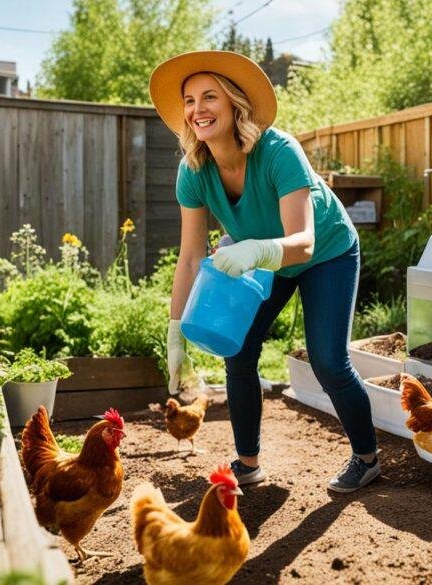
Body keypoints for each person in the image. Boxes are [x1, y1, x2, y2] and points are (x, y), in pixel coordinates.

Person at [150, 51, 379, 493]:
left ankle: (367, 457)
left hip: (325, 252)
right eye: (190, 100)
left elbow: (304, 242)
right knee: (238, 351)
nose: (198, 109)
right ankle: (248, 463)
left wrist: (253, 248)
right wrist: (175, 331)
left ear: (235, 104)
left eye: (210, 96)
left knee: (329, 361)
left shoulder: (279, 151)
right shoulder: (193, 171)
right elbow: (191, 258)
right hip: (260, 258)